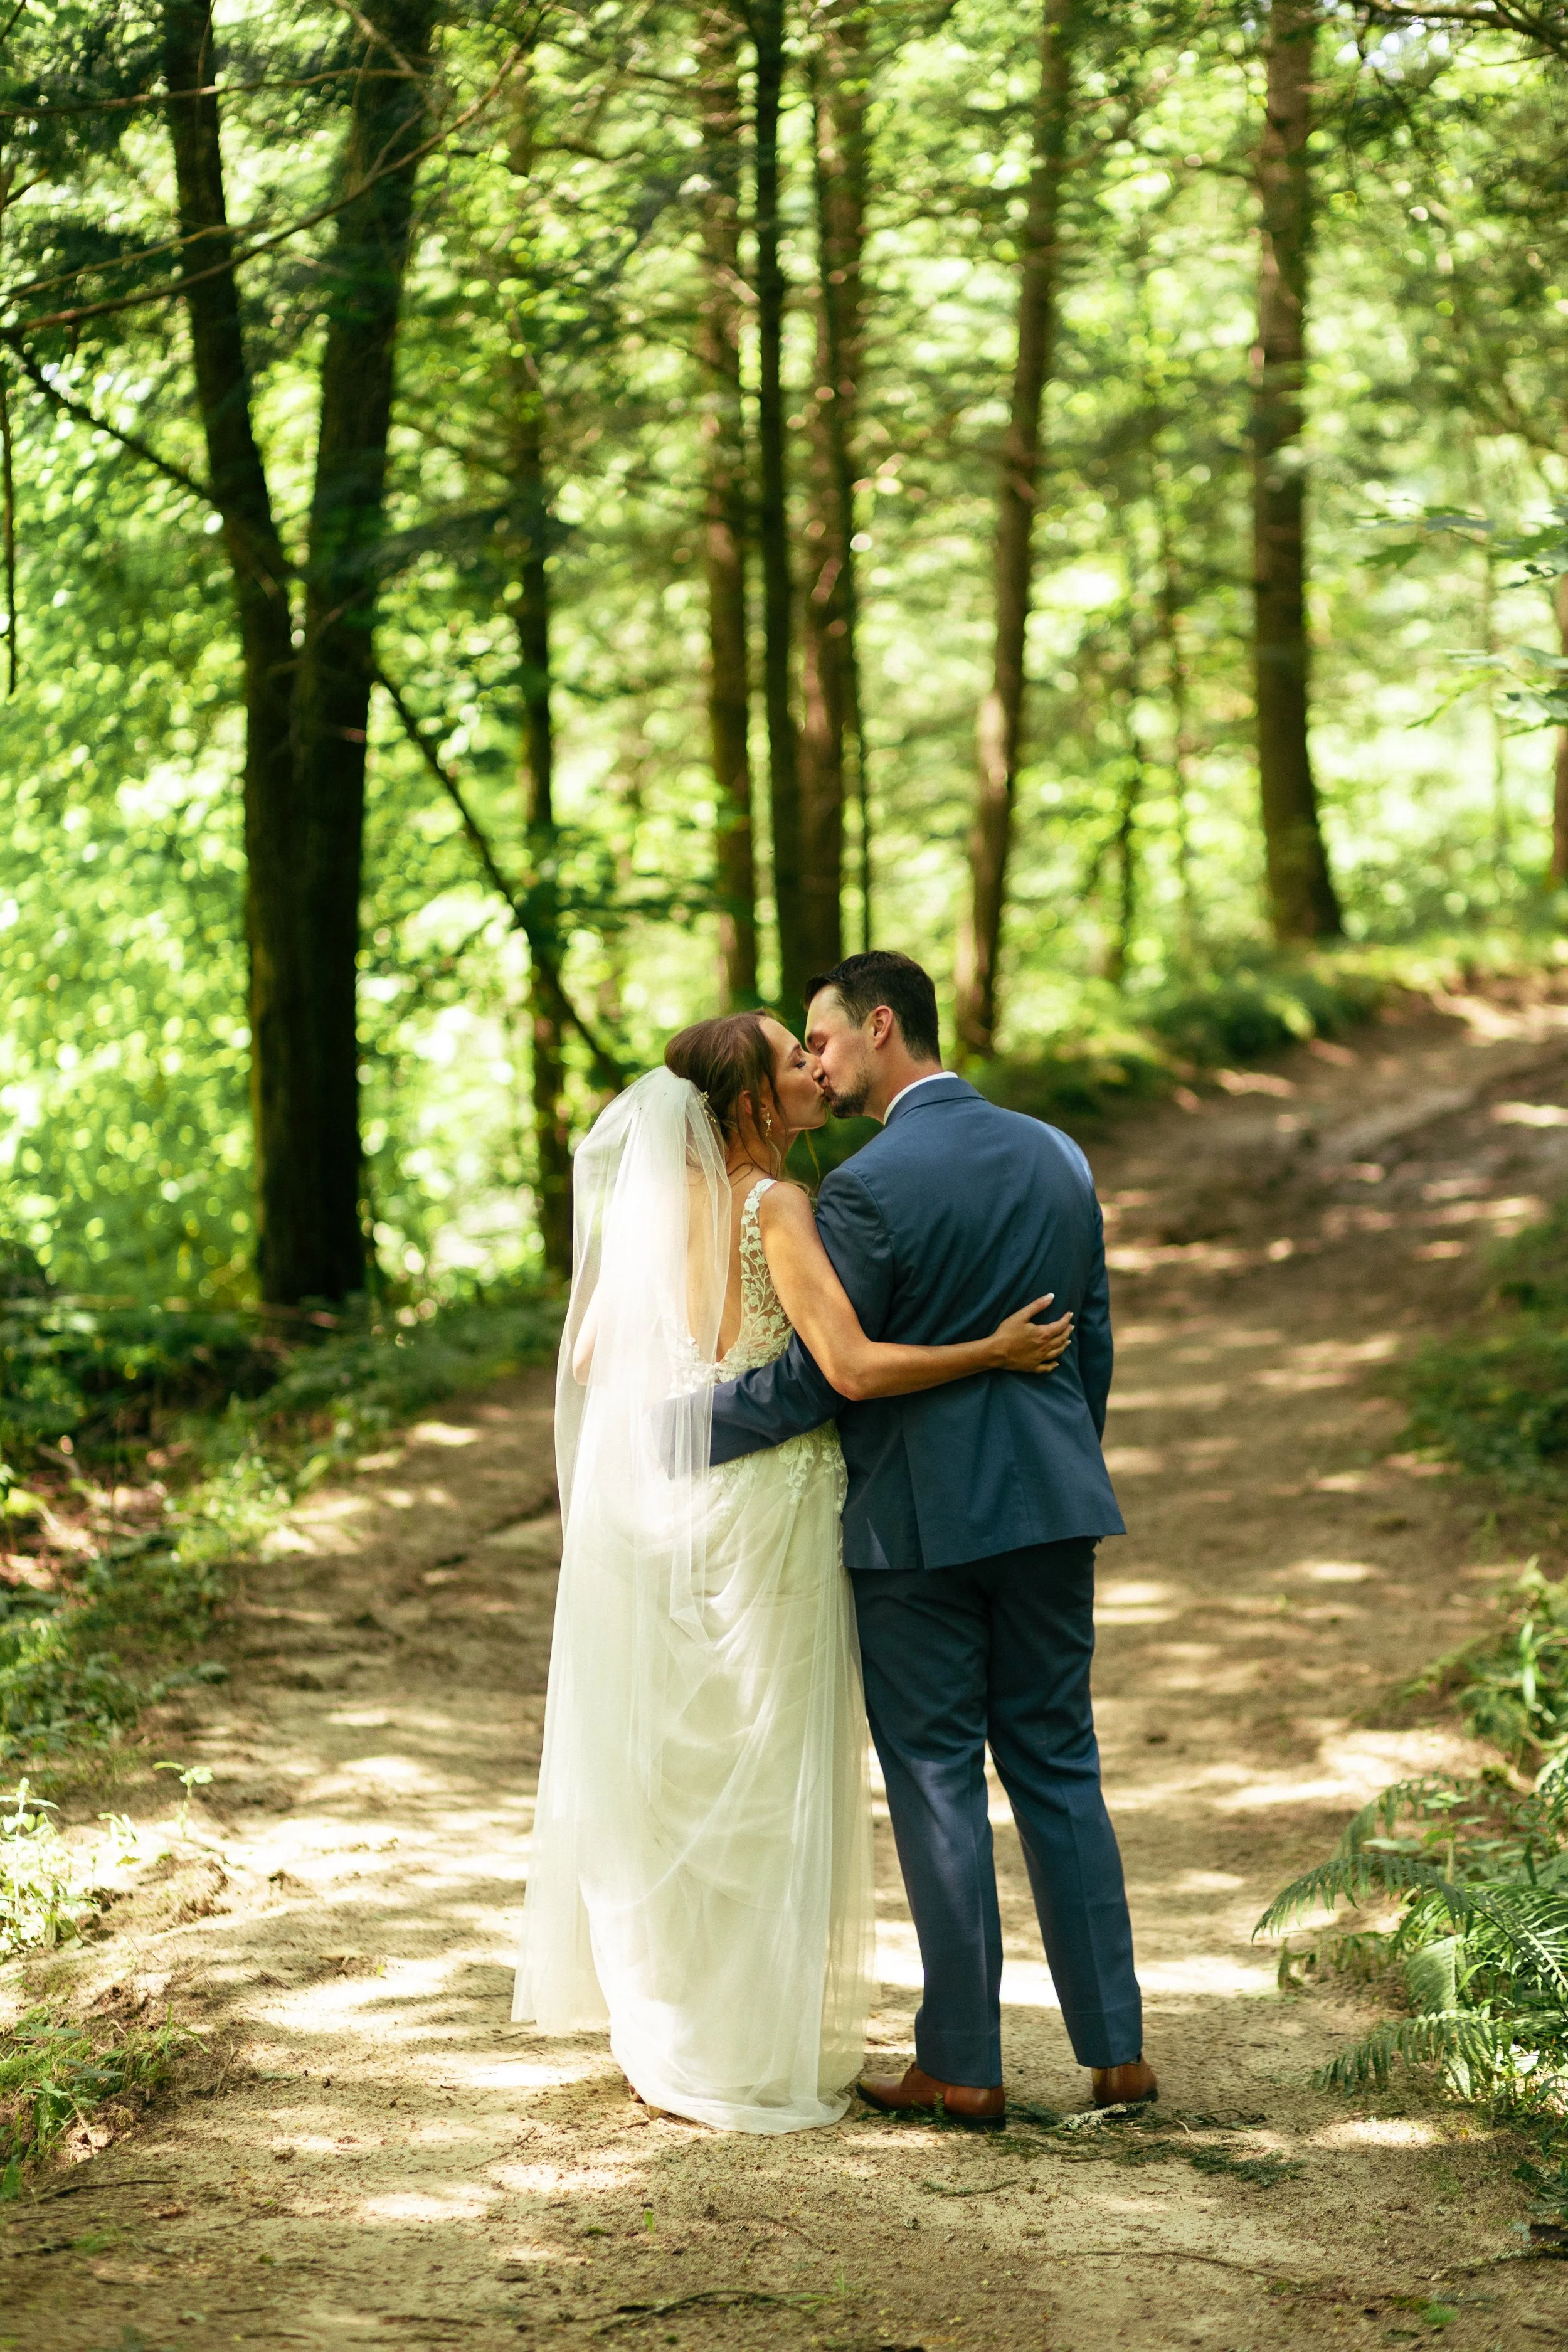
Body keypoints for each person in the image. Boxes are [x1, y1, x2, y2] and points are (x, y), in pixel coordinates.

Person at [511, 1008, 1073, 2134]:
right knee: (768, 1771)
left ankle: (675, 2021)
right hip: (771, 1508)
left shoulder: (652, 1209)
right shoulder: (778, 1206)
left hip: (668, 1505)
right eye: (792, 1061)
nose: (816, 1070)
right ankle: (747, 2040)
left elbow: (586, 1357)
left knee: (680, 1761)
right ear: (756, 1101)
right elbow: (852, 1368)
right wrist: (993, 1351)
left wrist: (676, 1381)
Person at [706, 951, 1155, 2126]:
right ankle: (1117, 2049)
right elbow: (1089, 1341)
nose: (815, 1061)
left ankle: (964, 2061)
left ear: (882, 1025)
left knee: (940, 1777)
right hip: (1053, 1503)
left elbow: (821, 1379)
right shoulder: (1059, 1153)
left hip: (918, 1524)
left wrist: (677, 1426)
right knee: (1060, 1762)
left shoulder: (866, 1186)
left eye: (825, 1037)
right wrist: (1058, 1464)